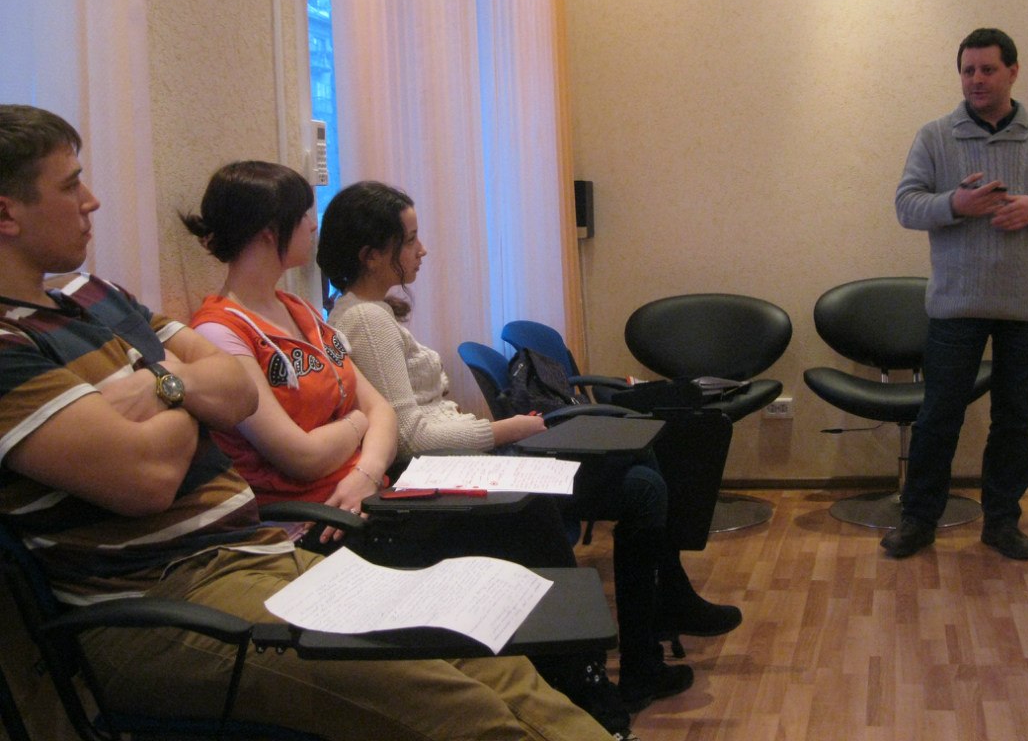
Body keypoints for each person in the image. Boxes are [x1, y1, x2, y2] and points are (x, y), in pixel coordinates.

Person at [0, 105, 613, 741]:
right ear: (6, 213)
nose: (92, 201)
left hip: (258, 553)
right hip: (168, 603)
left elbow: (239, 389)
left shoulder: (98, 296)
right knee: (458, 707)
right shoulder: (10, 346)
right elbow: (149, 477)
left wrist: (161, 386)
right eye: (70, 185)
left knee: (494, 662)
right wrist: (186, 385)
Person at [183, 163, 634, 738]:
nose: (315, 228)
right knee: (524, 523)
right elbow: (301, 454)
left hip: (373, 497)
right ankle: (586, 693)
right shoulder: (221, 332)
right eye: (305, 217)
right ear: (271, 232)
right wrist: (358, 428)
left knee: (528, 517)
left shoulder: (299, 313)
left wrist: (365, 464)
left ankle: (577, 693)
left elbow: (384, 415)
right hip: (323, 526)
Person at [316, 180, 743, 710]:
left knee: (642, 478)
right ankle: (649, 647)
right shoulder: (365, 319)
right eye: (410, 239)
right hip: (447, 478)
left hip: (465, 462)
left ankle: (651, 645)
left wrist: (499, 433)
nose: (422, 250)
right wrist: (504, 430)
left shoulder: (371, 312)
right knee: (641, 478)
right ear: (371, 255)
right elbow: (410, 438)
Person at [885, 28, 1028, 561]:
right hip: (956, 306)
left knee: (1015, 422)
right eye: (968, 70)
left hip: (1024, 308)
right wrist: (957, 204)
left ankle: (1002, 522)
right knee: (938, 418)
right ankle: (918, 521)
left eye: (987, 70)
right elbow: (906, 205)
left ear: (1012, 72)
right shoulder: (935, 136)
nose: (976, 80)